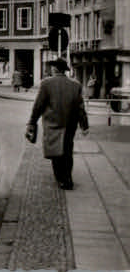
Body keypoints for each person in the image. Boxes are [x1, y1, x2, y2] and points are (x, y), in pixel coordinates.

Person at [26, 58, 89, 190]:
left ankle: (61, 178)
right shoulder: (76, 85)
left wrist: (32, 122)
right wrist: (84, 126)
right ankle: (67, 178)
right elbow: (80, 108)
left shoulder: (46, 83)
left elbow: (39, 105)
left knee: (55, 151)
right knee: (67, 151)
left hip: (52, 123)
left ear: (54, 69)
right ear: (64, 70)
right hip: (69, 125)